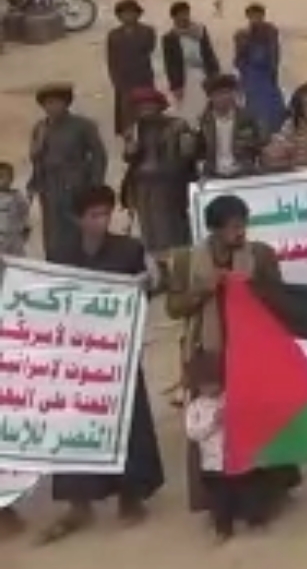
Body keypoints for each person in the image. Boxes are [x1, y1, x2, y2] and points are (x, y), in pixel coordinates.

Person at [34, 185, 167, 545]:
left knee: (129, 422)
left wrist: (149, 281)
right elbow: (49, 297)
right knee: (75, 424)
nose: (101, 221)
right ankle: (79, 504)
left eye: (105, 213)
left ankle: (131, 496)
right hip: (78, 356)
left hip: (118, 350)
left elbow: (153, 286)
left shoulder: (129, 250)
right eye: (93, 215)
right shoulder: (61, 254)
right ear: (78, 219)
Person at [184, 349, 263, 540]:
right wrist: (213, 423)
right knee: (220, 499)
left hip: (238, 458)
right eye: (206, 385)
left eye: (215, 383)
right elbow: (193, 433)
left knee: (248, 490)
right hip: (213, 465)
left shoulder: (231, 397)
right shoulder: (195, 408)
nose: (212, 389)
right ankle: (223, 529)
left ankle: (255, 520)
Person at [26, 82, 108, 257]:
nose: (51, 107)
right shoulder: (40, 127)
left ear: (66, 103)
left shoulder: (83, 125)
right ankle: (54, 260)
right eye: (47, 103)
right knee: (52, 228)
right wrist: (35, 182)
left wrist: (95, 184)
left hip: (76, 183)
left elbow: (98, 155)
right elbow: (36, 158)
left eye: (56, 102)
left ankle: (80, 260)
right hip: (49, 185)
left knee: (76, 225)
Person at [120, 86, 195, 254]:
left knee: (169, 229)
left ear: (159, 106)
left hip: (168, 185)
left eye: (149, 106)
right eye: (140, 107)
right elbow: (128, 157)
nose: (145, 110)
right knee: (149, 230)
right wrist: (130, 148)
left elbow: (188, 155)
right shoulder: (134, 129)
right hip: (142, 185)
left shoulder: (177, 126)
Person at [191, 73, 265, 180]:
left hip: (244, 173)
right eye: (219, 94)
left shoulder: (248, 119)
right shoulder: (202, 123)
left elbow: (260, 144)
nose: (224, 97)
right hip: (213, 175)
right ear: (211, 97)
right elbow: (197, 153)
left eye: (227, 92)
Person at [105, 0, 159, 134]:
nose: (128, 16)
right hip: (123, 79)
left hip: (143, 76)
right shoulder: (113, 35)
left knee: (146, 107)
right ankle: (128, 136)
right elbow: (111, 59)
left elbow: (149, 48)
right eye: (124, 14)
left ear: (138, 14)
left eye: (131, 13)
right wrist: (115, 78)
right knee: (126, 111)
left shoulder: (147, 31)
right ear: (119, 16)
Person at [162, 0, 222, 121]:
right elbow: (170, 64)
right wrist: (175, 86)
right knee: (187, 107)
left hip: (202, 73)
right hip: (184, 76)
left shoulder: (200, 30)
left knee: (206, 104)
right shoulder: (169, 37)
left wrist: (215, 73)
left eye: (186, 13)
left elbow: (208, 52)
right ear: (174, 17)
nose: (184, 17)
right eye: (180, 14)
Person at [234, 3, 287, 133]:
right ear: (248, 17)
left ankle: (272, 129)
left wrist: (273, 73)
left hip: (266, 74)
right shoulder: (241, 34)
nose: (255, 19)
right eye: (252, 16)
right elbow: (238, 59)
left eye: (258, 15)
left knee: (271, 103)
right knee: (253, 103)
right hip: (251, 74)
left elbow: (274, 55)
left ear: (263, 16)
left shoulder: (270, 31)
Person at [0, 161, 28, 257]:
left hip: (14, 238)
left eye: (5, 176)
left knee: (16, 260)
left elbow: (24, 214)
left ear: (11, 179)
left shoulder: (17, 197)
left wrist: (24, 228)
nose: (2, 180)